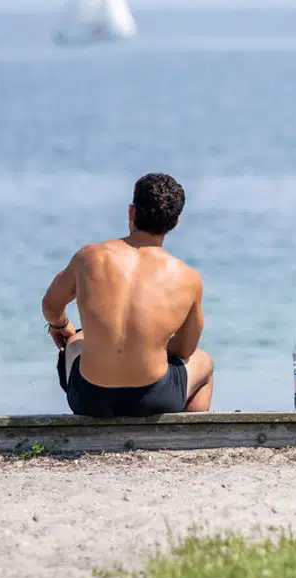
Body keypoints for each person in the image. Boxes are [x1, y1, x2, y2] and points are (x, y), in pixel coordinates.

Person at [41, 173, 214, 417]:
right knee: (205, 362)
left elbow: (51, 305)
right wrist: (149, 345)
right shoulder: (187, 277)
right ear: (175, 222)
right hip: (155, 399)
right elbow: (184, 350)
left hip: (90, 399)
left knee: (76, 341)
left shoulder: (89, 257)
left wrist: (61, 327)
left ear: (131, 212)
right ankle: (183, 435)